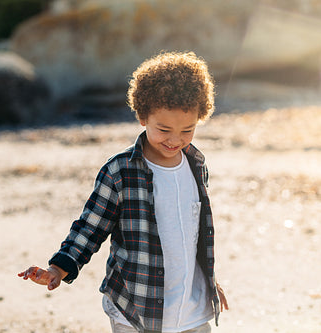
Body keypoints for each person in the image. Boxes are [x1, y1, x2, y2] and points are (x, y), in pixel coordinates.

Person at [19, 51, 229, 333]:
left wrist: (209, 282)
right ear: (143, 117)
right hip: (134, 307)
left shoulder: (196, 165)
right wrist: (57, 269)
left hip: (192, 309)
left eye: (187, 130)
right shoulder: (120, 171)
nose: (175, 139)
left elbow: (194, 236)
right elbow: (90, 228)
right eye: (164, 129)